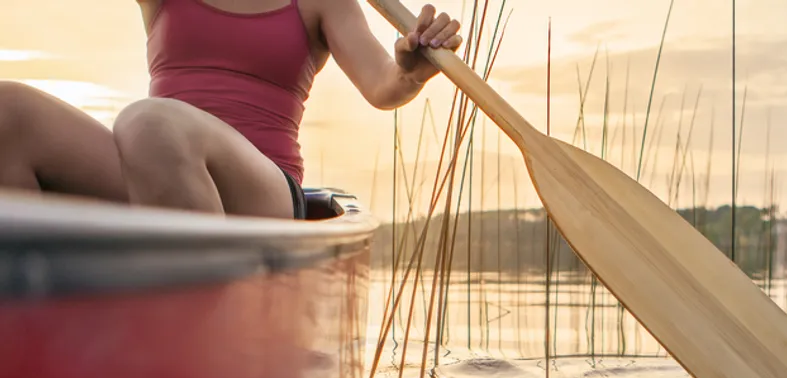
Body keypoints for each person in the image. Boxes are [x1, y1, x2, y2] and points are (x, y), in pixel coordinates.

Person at [0, 0, 463, 219]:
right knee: (8, 110)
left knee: (150, 121)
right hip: (154, 168)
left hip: (261, 187)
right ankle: (28, 329)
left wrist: (411, 70)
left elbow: (385, 85)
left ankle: (197, 342)